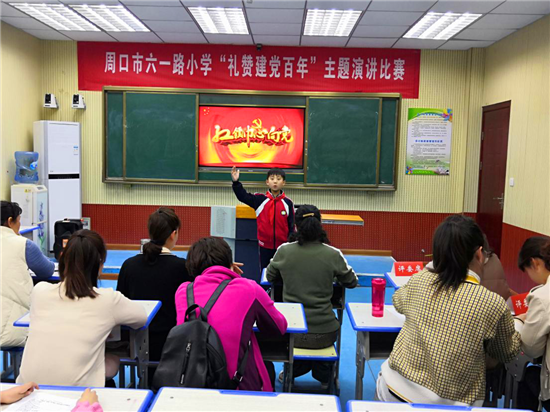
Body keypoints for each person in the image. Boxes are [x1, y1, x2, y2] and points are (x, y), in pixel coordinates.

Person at [376, 214, 521, 406]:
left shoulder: (420, 280)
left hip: (392, 392)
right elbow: (508, 352)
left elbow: (398, 301)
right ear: (480, 254)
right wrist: (519, 323)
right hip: (451, 405)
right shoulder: (491, 303)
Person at [17, 230, 147, 387]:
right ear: (100, 264)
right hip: (78, 394)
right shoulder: (108, 299)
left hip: (26, 389)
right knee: (112, 359)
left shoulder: (40, 291)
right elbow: (141, 317)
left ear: (63, 261)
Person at [175, 237, 288, 391]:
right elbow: (279, 327)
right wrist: (234, 277)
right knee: (266, 367)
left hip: (191, 382)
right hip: (238, 387)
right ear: (229, 262)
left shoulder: (183, 292)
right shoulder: (249, 289)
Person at [266, 204, 358, 386]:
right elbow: (352, 281)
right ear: (320, 225)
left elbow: (269, 276)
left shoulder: (284, 250)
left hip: (291, 332)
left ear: (296, 226)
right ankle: (324, 375)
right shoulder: (333, 254)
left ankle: (294, 370)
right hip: (326, 333)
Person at [117, 207, 191, 361]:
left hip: (136, 342)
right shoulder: (182, 267)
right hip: (173, 344)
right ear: (173, 234)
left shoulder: (129, 265)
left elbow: (120, 305)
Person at [1, 201, 55, 347]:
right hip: (12, 328)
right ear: (10, 221)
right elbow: (47, 270)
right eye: (18, 221)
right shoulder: (23, 244)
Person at [231, 166, 294, 271]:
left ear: (283, 183)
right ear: (267, 182)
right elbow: (243, 196)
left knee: (283, 273)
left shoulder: (288, 203)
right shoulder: (259, 200)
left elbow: (291, 226)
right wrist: (236, 182)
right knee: (266, 272)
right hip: (265, 246)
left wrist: (290, 244)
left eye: (278, 179)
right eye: (272, 179)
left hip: (283, 247)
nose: (275, 181)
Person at [515, 236, 550, 412]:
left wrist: (520, 320)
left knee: (527, 376)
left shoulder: (543, 296)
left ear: (535, 263)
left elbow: (531, 348)